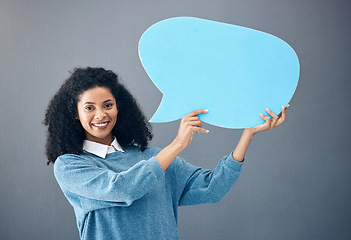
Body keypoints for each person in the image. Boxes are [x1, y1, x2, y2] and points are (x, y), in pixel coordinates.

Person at [44, 67, 288, 240]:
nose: (100, 115)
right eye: (89, 108)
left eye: (108, 105)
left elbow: (213, 188)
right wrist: (178, 144)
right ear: (75, 114)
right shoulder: (70, 166)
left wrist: (248, 133)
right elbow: (121, 189)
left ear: (119, 107)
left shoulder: (153, 157)